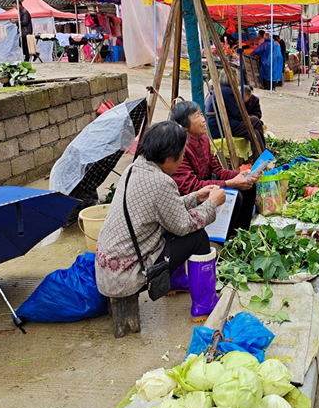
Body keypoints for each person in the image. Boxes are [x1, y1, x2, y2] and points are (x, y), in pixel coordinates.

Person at [95, 121, 226, 322]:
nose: (182, 159)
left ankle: (176, 283)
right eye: (181, 156)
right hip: (127, 275)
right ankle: (204, 306)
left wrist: (197, 197)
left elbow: (164, 208)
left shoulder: (134, 168)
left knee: (171, 228)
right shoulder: (161, 182)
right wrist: (211, 204)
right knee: (198, 236)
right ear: (167, 158)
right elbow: (183, 225)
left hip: (109, 270)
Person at [170, 101, 258, 238]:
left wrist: (240, 175)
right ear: (185, 126)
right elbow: (190, 187)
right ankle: (225, 239)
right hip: (191, 196)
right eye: (197, 116)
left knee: (249, 187)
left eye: (201, 114)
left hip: (207, 186)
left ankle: (241, 236)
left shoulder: (203, 140)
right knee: (235, 197)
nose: (204, 120)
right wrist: (229, 184)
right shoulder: (179, 148)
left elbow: (217, 170)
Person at [206, 71, 267, 154]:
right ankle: (263, 152)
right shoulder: (228, 92)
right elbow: (238, 114)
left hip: (218, 125)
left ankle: (259, 155)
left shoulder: (219, 89)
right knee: (255, 120)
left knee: (254, 132)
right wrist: (247, 117)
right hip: (221, 127)